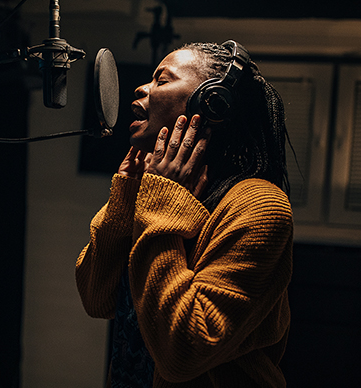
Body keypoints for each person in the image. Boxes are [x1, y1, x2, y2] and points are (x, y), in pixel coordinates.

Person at [75, 40, 293, 387]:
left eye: (162, 80)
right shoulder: (153, 190)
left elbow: (183, 352)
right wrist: (126, 197)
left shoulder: (259, 206)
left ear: (211, 104)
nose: (141, 88)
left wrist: (163, 202)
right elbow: (97, 299)